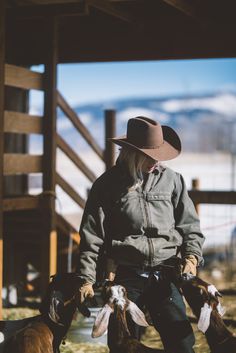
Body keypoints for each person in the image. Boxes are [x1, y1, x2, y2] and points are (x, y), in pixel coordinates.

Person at [77, 116, 205, 353]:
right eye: (149, 155)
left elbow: (190, 226)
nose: (156, 161)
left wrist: (192, 257)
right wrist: (86, 278)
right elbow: (91, 236)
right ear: (131, 152)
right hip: (125, 276)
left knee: (183, 343)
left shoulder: (172, 181)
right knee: (123, 345)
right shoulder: (107, 185)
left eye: (158, 155)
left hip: (165, 273)